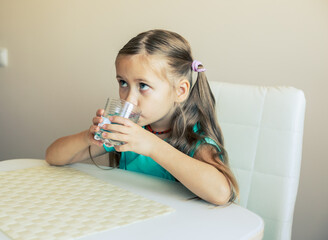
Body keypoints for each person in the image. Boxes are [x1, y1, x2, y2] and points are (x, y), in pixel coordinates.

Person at [46, 29, 239, 205]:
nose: (129, 99)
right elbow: (53, 156)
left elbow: (221, 193)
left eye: (143, 86)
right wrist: (87, 137)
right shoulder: (127, 131)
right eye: (123, 82)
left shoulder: (194, 140)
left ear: (180, 91)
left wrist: (152, 146)